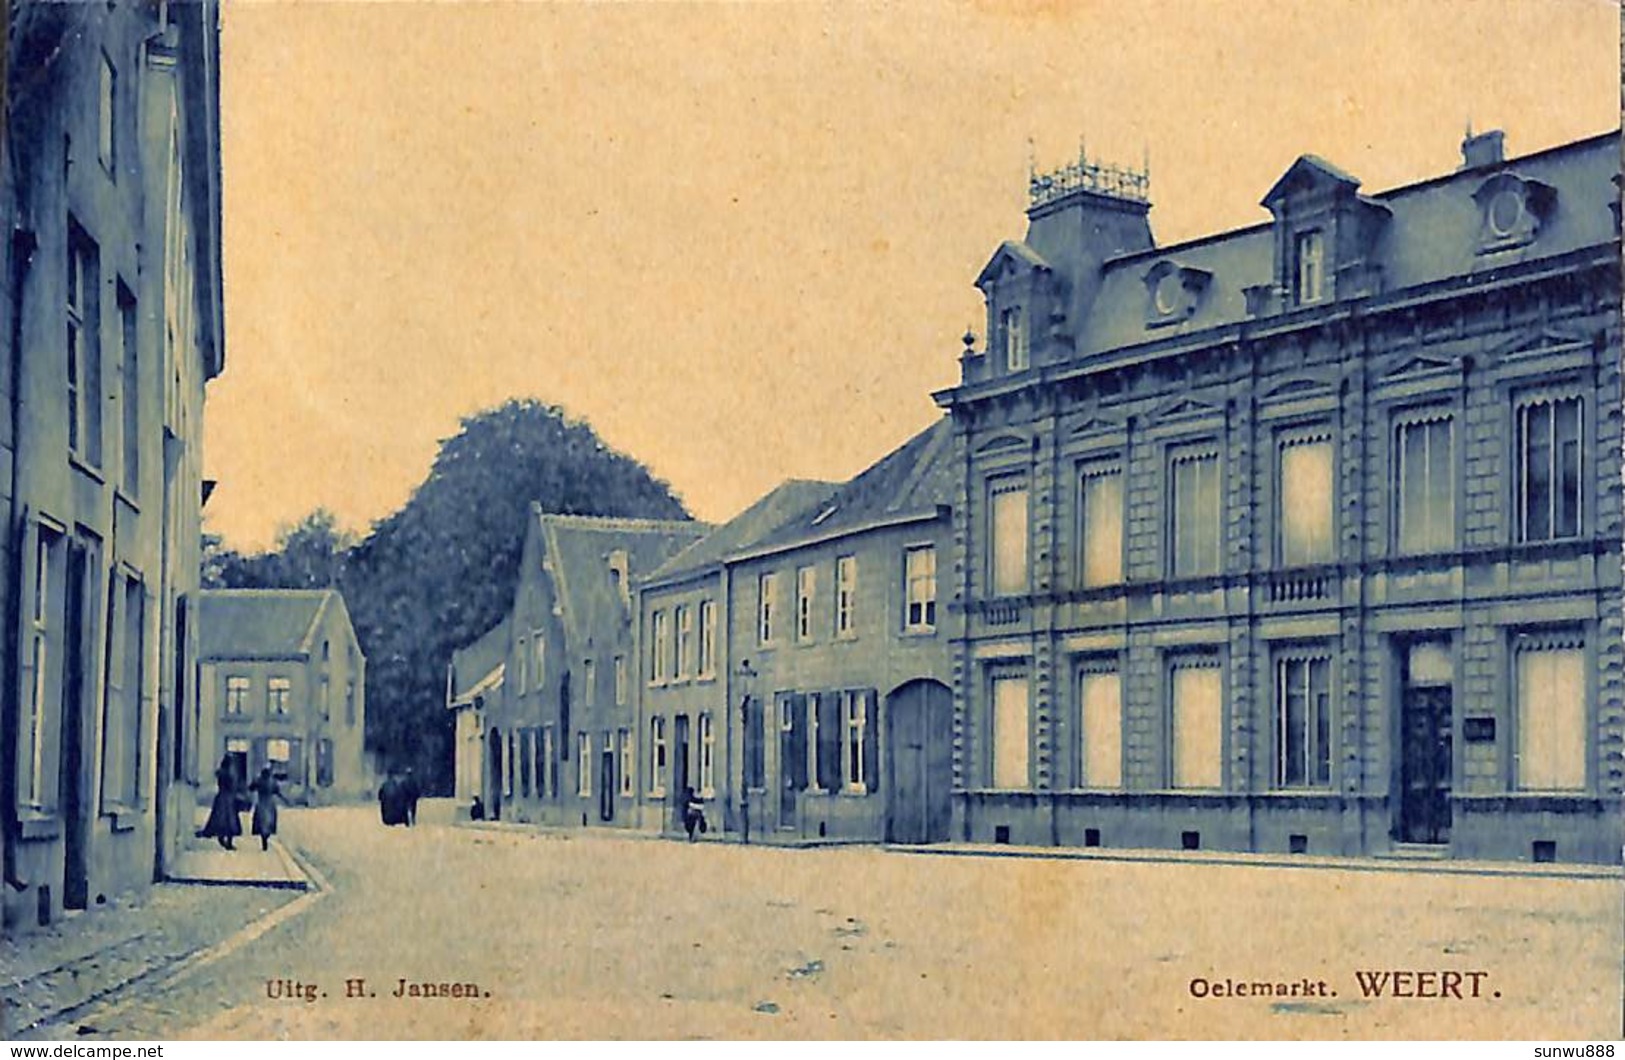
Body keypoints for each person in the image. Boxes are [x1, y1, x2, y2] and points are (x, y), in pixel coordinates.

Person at [197, 755, 242, 850]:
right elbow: (233, 786)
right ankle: (228, 842)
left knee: (219, 819)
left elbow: (217, 775)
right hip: (229, 798)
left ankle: (222, 839)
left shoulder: (221, 772)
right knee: (230, 821)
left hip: (221, 797)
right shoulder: (231, 773)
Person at [249, 765, 285, 852]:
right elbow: (278, 792)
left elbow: (251, 788)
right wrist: (285, 800)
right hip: (269, 803)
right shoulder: (272, 781)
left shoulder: (259, 780)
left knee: (262, 822)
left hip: (261, 803)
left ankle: (264, 838)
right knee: (268, 821)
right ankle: (266, 836)